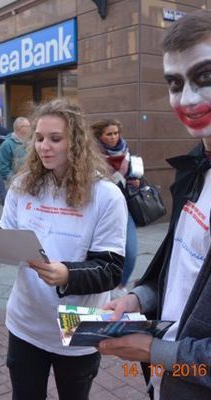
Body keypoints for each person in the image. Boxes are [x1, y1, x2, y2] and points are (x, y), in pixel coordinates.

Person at [0, 99, 127, 399]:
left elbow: (110, 270)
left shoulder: (106, 195)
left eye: (55, 139)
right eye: (40, 138)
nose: (44, 147)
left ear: (76, 142)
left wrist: (67, 274)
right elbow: (11, 243)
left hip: (78, 323)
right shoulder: (22, 185)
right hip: (25, 320)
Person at [98, 11, 211, 400]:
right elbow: (184, 266)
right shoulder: (194, 170)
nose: (188, 99)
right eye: (175, 84)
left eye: (205, 77)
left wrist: (154, 351)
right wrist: (139, 299)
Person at [91, 119, 142, 291]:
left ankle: (119, 287)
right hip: (97, 207)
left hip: (123, 206)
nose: (113, 137)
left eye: (116, 133)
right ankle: (98, 287)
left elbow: (132, 175)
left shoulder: (126, 151)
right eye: (109, 134)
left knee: (130, 250)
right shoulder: (91, 153)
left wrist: (135, 182)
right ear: (100, 135)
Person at [0, 117, 31, 184]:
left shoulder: (30, 142)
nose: (30, 128)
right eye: (27, 126)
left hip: (30, 183)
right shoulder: (7, 145)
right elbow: (3, 169)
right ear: (19, 128)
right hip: (16, 186)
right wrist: (17, 181)